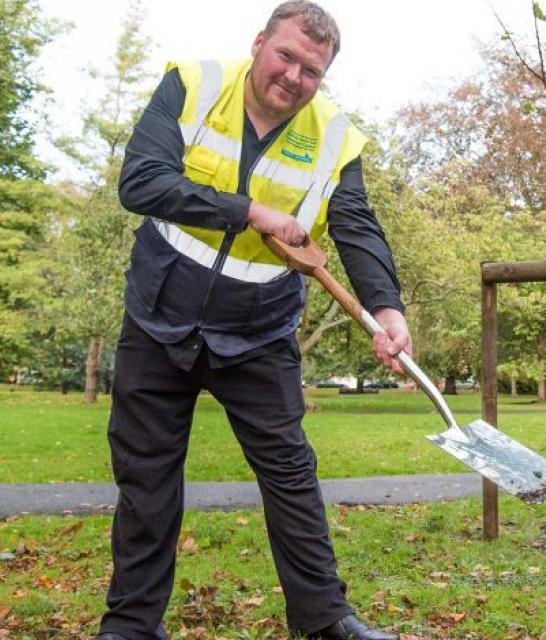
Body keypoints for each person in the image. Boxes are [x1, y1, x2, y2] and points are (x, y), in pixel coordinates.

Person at [96, 3, 407, 639]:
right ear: (259, 42)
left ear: (324, 78)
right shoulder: (192, 84)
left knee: (291, 475)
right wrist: (249, 211)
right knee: (147, 481)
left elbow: (355, 224)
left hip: (259, 333)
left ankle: (325, 620)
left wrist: (386, 307)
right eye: (286, 56)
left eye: (311, 70)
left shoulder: (335, 136)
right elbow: (141, 182)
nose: (293, 76)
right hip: (160, 319)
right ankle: (131, 625)